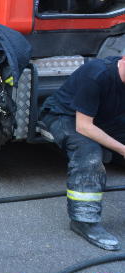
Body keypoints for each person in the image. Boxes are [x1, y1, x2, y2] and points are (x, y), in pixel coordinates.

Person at [39, 54, 125, 251]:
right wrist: (122, 149)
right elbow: (84, 127)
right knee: (90, 153)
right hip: (64, 116)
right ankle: (84, 221)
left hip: (103, 117)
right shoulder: (97, 74)